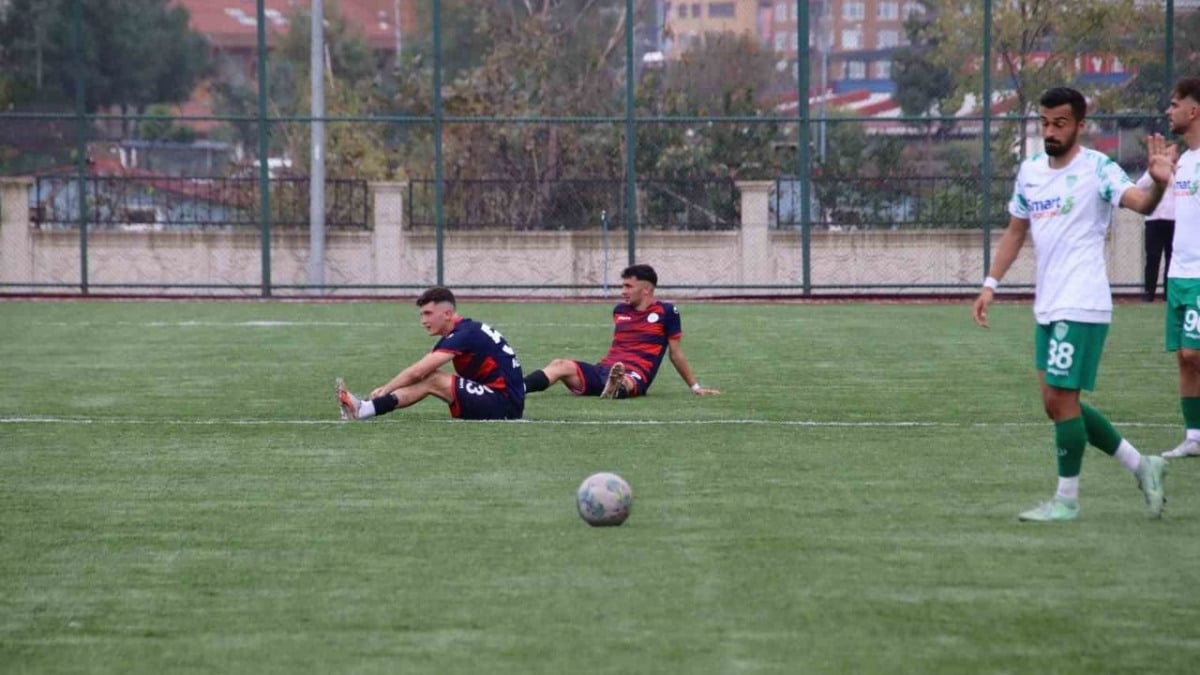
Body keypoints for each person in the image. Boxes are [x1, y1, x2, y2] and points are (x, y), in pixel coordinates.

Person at [972, 86, 1174, 522]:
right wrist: (991, 283)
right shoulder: (1029, 171)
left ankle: (1067, 500)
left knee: (1062, 400)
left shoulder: (1097, 168)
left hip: (1081, 301)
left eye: (1060, 123)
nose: (1051, 131)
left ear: (1080, 126)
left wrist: (1157, 185)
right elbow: (1015, 231)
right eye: (1045, 123)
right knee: (1055, 402)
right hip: (1048, 302)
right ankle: (1144, 465)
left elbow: (1138, 203)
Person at [523, 264, 720, 400]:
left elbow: (675, 353)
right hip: (604, 369)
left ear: (646, 290)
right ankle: (518, 388)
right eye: (622, 286)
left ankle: (615, 389)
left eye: (628, 286)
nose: (623, 291)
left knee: (624, 381)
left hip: (634, 375)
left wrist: (695, 387)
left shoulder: (667, 312)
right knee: (560, 364)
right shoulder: (620, 310)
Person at [336, 287, 525, 421]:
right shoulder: (463, 331)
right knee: (430, 377)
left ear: (448, 314)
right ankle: (364, 407)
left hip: (503, 405)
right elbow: (422, 370)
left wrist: (386, 389)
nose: (423, 321)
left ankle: (364, 410)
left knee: (432, 379)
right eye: (422, 315)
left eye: (428, 313)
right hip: (501, 398)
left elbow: (419, 372)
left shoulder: (464, 335)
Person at [1160, 78, 1200, 460]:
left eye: (1175, 104)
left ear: (1194, 110)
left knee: (1194, 353)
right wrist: (1163, 175)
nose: (1169, 111)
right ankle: (1194, 437)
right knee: (1183, 358)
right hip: (1179, 273)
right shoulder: (1185, 161)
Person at [1136, 168, 1174, 302]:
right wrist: (1155, 176)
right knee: (1152, 257)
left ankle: (1168, 294)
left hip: (1173, 219)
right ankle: (1149, 293)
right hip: (1154, 219)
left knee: (1171, 258)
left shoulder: (1180, 170)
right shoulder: (1151, 172)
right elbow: (1139, 186)